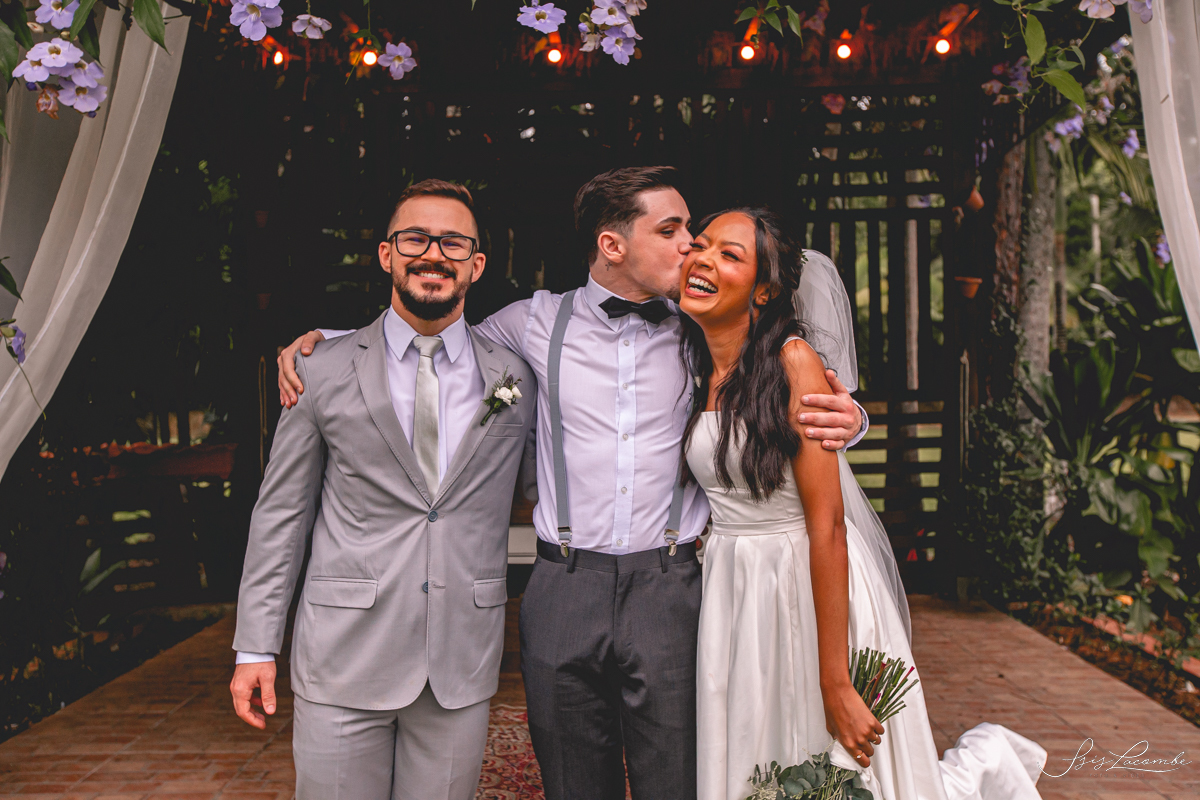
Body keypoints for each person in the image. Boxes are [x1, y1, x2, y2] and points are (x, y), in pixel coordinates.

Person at [275, 167, 869, 800]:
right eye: (672, 231)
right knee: (571, 781)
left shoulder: (702, 323)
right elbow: (433, 340)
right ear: (612, 245)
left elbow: (776, 381)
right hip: (562, 587)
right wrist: (325, 345)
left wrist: (850, 419)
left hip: (670, 587)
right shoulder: (532, 322)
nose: (690, 246)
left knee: (677, 780)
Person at [678, 207, 1048, 800]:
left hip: (804, 584)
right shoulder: (696, 362)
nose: (703, 259)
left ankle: (989, 762)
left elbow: (827, 525)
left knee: (827, 760)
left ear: (764, 290)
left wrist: (835, 682)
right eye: (699, 244)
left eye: (729, 254)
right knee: (754, 751)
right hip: (734, 588)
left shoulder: (792, 362)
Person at [230, 179, 537, 800]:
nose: (434, 254)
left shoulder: (516, 377)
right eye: (415, 238)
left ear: (476, 264)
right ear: (386, 254)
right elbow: (281, 516)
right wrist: (254, 647)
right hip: (342, 657)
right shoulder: (319, 368)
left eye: (453, 242)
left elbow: (546, 484)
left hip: (459, 662)